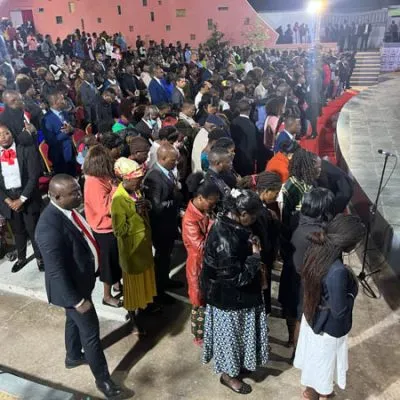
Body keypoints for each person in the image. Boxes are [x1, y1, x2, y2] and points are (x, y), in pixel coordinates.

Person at [35, 174, 122, 399]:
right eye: (73, 193)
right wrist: (77, 301)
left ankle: (73, 356)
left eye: (78, 189)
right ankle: (104, 381)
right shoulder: (48, 228)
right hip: (73, 291)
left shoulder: (68, 210)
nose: (79, 195)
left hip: (81, 282)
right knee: (91, 335)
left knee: (72, 321)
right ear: (56, 196)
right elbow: (56, 271)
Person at [201, 189, 269, 395]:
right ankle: (228, 376)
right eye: (253, 217)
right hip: (228, 299)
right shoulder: (224, 239)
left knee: (240, 335)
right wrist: (254, 258)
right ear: (243, 213)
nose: (254, 221)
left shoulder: (234, 223)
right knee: (230, 338)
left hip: (241, 296)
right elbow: (235, 279)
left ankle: (239, 364)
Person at [294, 214, 365, 400]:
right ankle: (322, 394)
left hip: (313, 317)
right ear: (348, 244)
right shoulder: (338, 271)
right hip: (328, 328)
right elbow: (340, 311)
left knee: (314, 362)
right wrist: (352, 290)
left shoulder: (317, 249)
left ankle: (310, 392)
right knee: (325, 366)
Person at [285, 188, 336, 361]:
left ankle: (292, 344)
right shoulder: (319, 234)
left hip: (291, 273)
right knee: (303, 317)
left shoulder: (296, 218)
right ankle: (298, 354)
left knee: (293, 312)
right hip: (307, 282)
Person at [112, 157, 157, 331]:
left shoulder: (135, 191)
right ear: (126, 179)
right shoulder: (118, 200)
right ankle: (134, 319)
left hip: (143, 247)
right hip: (132, 252)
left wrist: (147, 205)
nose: (140, 183)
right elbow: (119, 230)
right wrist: (135, 214)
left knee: (145, 282)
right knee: (133, 290)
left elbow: (143, 211)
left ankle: (146, 306)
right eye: (137, 180)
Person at [182, 172, 220, 346]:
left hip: (206, 264)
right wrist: (213, 227)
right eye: (211, 202)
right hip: (197, 265)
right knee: (198, 301)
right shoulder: (190, 219)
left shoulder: (203, 211)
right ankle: (199, 336)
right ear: (200, 198)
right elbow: (200, 247)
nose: (213, 206)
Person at [83, 145, 122, 308]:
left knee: (116, 260)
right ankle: (107, 296)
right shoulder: (94, 182)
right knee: (108, 264)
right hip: (104, 229)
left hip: (112, 226)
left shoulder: (102, 176)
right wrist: (115, 188)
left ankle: (117, 284)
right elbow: (106, 209)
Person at [0, 124, 43, 273]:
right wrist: (8, 201)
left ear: (12, 134)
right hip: (8, 198)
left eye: (6, 133)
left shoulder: (26, 149)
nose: (3, 137)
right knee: (18, 230)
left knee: (33, 228)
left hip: (27, 195)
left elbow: (33, 176)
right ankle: (21, 258)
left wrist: (22, 199)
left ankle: (40, 258)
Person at [144, 144, 182, 304]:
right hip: (160, 227)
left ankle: (165, 281)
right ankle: (159, 291)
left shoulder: (166, 171)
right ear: (162, 158)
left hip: (169, 223)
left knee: (166, 257)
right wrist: (175, 201)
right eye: (173, 160)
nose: (176, 163)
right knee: (161, 258)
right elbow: (156, 206)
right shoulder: (154, 177)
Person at [251, 172, 282, 315]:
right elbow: (264, 239)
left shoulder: (260, 207)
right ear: (266, 191)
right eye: (275, 193)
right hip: (262, 259)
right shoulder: (259, 212)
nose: (276, 197)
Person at [42, 90, 77, 176]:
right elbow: (50, 140)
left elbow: (71, 129)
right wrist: (65, 132)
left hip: (70, 151)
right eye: (62, 99)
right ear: (55, 102)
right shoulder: (46, 119)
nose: (65, 101)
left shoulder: (65, 113)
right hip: (59, 156)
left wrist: (71, 129)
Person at [230, 100, 258, 176]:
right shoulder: (251, 125)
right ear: (249, 109)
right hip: (247, 160)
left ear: (238, 109)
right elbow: (253, 144)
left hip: (235, 158)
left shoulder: (233, 122)